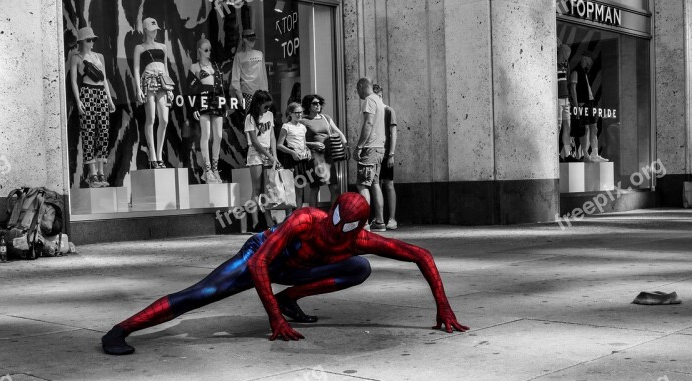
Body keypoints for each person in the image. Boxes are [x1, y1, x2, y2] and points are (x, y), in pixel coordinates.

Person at [101, 192, 469, 355]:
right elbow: (261, 263)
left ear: (358, 228)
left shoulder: (360, 242)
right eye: (335, 222)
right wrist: (274, 320)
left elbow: (420, 254)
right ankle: (121, 329)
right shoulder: (305, 219)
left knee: (360, 267)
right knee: (201, 294)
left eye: (345, 228)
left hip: (300, 270)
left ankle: (289, 298)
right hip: (263, 256)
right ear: (332, 211)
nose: (334, 231)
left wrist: (443, 307)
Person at [69, 27, 116, 188]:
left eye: (93, 40)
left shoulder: (98, 56)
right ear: (81, 41)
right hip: (87, 93)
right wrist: (78, 100)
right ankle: (92, 173)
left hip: (101, 93)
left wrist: (109, 99)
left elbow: (104, 79)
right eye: (88, 40)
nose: (91, 43)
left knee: (103, 131)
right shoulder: (76, 58)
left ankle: (101, 171)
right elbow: (74, 81)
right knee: (88, 132)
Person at [133, 18, 174, 169]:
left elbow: (166, 68)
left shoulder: (163, 46)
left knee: (164, 119)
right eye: (151, 29)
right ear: (145, 30)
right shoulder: (140, 47)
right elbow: (136, 69)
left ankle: (159, 154)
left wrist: (170, 88)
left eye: (155, 29)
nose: (154, 31)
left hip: (162, 81)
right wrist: (138, 88)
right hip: (148, 80)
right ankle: (153, 156)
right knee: (151, 118)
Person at [189, 39, 228, 183]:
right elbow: (191, 89)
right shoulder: (194, 67)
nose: (209, 52)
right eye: (206, 50)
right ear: (199, 50)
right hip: (202, 100)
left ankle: (215, 167)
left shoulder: (215, 66)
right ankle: (207, 169)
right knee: (206, 134)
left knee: (218, 135)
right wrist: (194, 107)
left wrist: (224, 105)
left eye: (210, 49)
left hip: (216, 99)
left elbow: (222, 88)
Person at [301, 94, 347, 207]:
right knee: (315, 188)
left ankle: (333, 218)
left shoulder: (326, 118)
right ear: (308, 105)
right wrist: (313, 144)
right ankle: (313, 218)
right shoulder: (303, 121)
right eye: (314, 103)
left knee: (334, 187)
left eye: (319, 103)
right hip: (313, 156)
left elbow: (338, 132)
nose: (318, 105)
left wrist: (345, 146)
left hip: (327, 155)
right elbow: (298, 142)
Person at [354, 77, 386, 231]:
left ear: (361, 86)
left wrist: (360, 146)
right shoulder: (379, 101)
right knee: (374, 183)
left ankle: (364, 223)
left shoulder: (369, 100)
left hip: (370, 147)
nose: (357, 92)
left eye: (357, 89)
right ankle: (379, 221)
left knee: (362, 184)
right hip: (379, 146)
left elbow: (368, 123)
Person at [245, 90, 278, 232]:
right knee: (256, 188)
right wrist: (270, 156)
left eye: (269, 107)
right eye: (265, 107)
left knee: (267, 189)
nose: (267, 110)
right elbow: (254, 141)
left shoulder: (269, 115)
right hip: (255, 152)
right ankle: (255, 222)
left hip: (268, 152)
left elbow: (272, 137)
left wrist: (274, 155)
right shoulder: (250, 118)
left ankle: (269, 221)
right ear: (258, 104)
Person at [277, 102, 316, 209]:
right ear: (290, 113)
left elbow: (304, 143)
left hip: (302, 160)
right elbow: (279, 145)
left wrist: (307, 150)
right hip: (292, 160)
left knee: (301, 189)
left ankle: (298, 214)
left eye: (301, 112)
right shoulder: (286, 126)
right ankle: (291, 215)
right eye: (296, 113)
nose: (299, 115)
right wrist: (292, 152)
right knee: (291, 189)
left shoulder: (303, 127)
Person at [570, 51, 607, 163]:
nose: (591, 61)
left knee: (594, 127)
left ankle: (594, 153)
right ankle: (585, 154)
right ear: (585, 58)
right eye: (590, 59)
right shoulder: (576, 72)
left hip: (590, 102)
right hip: (583, 103)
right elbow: (573, 89)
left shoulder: (586, 72)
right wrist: (576, 106)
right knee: (585, 128)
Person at [373, 84, 398, 230]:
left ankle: (392, 218)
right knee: (376, 184)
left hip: (385, 153)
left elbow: (393, 133)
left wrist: (391, 154)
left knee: (388, 184)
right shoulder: (373, 112)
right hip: (375, 153)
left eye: (378, 95)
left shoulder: (388, 111)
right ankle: (379, 218)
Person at [231, 29, 268, 113]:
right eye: (250, 39)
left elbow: (264, 74)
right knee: (250, 119)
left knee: (263, 118)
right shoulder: (239, 56)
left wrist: (266, 91)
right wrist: (240, 96)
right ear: (244, 39)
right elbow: (235, 77)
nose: (253, 42)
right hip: (247, 93)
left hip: (262, 93)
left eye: (254, 39)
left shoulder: (259, 54)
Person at [557, 39, 578, 163]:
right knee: (558, 126)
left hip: (565, 99)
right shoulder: (555, 65)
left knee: (567, 126)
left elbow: (569, 83)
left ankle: (567, 153)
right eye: (566, 53)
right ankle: (556, 153)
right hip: (558, 98)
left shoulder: (565, 66)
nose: (567, 56)